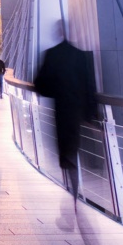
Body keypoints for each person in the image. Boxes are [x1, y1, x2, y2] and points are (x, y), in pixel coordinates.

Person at [34, 39, 97, 208]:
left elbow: (41, 84)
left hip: (61, 109)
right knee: (73, 148)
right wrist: (91, 114)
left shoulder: (53, 53)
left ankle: (70, 189)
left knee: (64, 149)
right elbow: (89, 85)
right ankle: (74, 192)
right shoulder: (79, 55)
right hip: (77, 110)